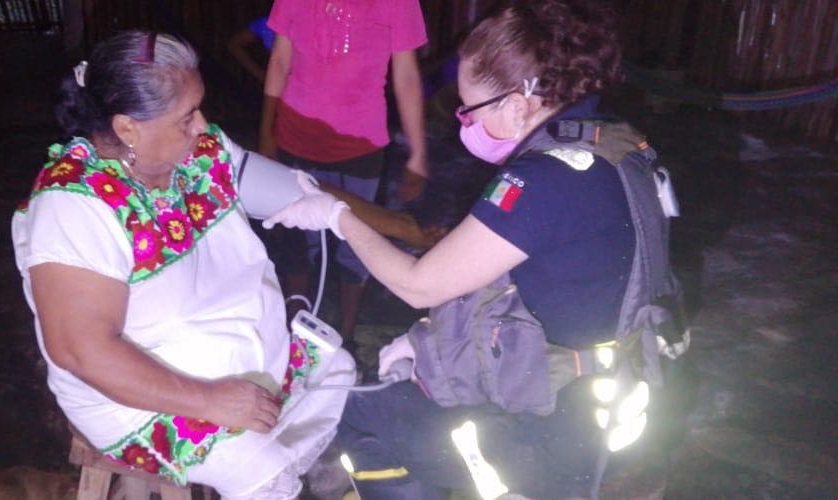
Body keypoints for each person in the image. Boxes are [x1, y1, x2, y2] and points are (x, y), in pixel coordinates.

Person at [263, 1, 672, 497]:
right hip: (613, 393)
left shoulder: (546, 179)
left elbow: (418, 285)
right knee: (397, 395)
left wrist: (336, 216)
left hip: (553, 435)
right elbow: (522, 280)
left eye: (469, 110)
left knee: (346, 416)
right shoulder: (612, 143)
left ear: (519, 103)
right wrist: (425, 345)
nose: (462, 123)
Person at [11, 30, 355, 500]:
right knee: (263, 474)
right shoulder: (74, 205)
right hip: (137, 396)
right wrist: (211, 400)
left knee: (335, 372)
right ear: (129, 128)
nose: (202, 125)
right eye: (187, 116)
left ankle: (288, 465)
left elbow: (286, 192)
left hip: (231, 350)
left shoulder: (196, 154)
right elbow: (82, 351)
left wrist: (348, 219)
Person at [258, 0, 430, 352]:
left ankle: (347, 337)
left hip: (361, 144)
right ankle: (294, 336)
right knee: (296, 242)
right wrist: (265, 133)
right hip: (296, 138)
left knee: (358, 243)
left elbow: (408, 77)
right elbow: (279, 61)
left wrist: (419, 153)